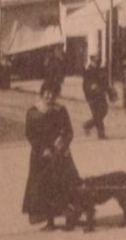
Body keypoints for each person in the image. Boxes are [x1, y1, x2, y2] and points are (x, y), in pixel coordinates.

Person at [22, 83, 81, 230]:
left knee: (67, 185)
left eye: (53, 94)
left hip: (60, 154)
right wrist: (43, 149)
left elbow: (69, 131)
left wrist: (63, 142)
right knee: (44, 187)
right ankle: (50, 221)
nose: (49, 96)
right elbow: (30, 134)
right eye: (46, 93)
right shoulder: (33, 112)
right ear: (42, 94)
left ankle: (71, 217)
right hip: (41, 156)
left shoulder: (60, 110)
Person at [81, 54, 113, 139]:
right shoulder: (88, 71)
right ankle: (101, 134)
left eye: (98, 61)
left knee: (103, 110)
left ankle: (87, 125)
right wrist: (92, 88)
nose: (97, 63)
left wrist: (109, 91)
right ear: (91, 61)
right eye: (95, 61)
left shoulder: (99, 70)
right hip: (92, 96)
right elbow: (86, 85)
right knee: (97, 114)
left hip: (100, 94)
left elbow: (104, 82)